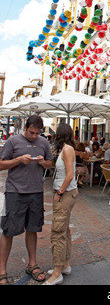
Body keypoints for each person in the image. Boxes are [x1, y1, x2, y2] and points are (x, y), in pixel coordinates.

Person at [0, 115, 53, 285]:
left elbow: (49, 164)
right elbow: (1, 164)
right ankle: (2, 271)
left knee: (33, 229)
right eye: (31, 132)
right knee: (8, 231)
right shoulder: (13, 141)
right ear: (26, 128)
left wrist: (43, 162)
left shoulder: (43, 142)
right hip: (15, 192)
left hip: (36, 191)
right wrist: (18, 160)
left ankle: (32, 265)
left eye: (37, 133)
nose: (34, 136)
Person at [44, 123, 78, 286]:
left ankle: (57, 273)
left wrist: (59, 193)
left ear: (59, 135)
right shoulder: (66, 149)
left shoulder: (67, 150)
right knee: (64, 229)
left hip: (65, 194)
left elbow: (70, 175)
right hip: (67, 193)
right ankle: (65, 265)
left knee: (57, 232)